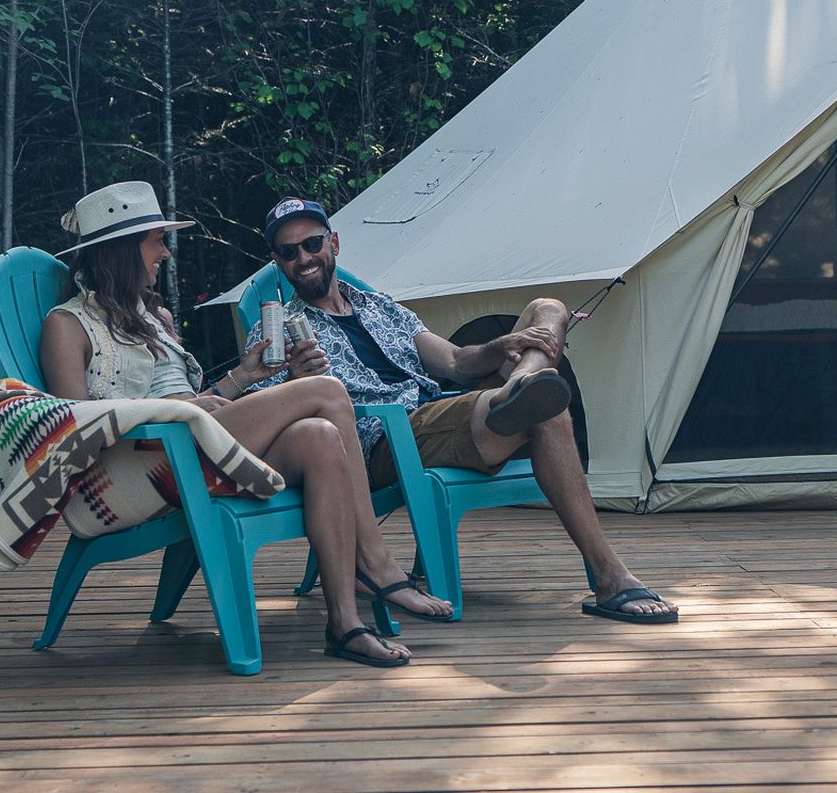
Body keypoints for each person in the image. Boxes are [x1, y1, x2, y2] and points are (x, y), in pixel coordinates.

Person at [38, 181, 451, 668]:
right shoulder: (67, 325)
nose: (165, 253)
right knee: (328, 391)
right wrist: (179, 413)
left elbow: (190, 403)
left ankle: (345, 623)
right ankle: (376, 563)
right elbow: (76, 428)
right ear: (123, 250)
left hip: (192, 446)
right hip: (141, 468)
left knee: (321, 436)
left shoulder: (155, 319)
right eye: (155, 241)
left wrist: (243, 377)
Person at [246, 197, 678, 623]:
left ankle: (523, 383)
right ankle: (610, 576)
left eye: (312, 244)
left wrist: (499, 347)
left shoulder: (380, 307)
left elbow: (454, 362)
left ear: (334, 243)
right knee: (546, 413)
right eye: (289, 251)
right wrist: (293, 380)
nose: (303, 258)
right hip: (385, 443)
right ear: (278, 262)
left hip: (438, 413)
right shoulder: (276, 333)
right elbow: (267, 421)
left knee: (548, 309)